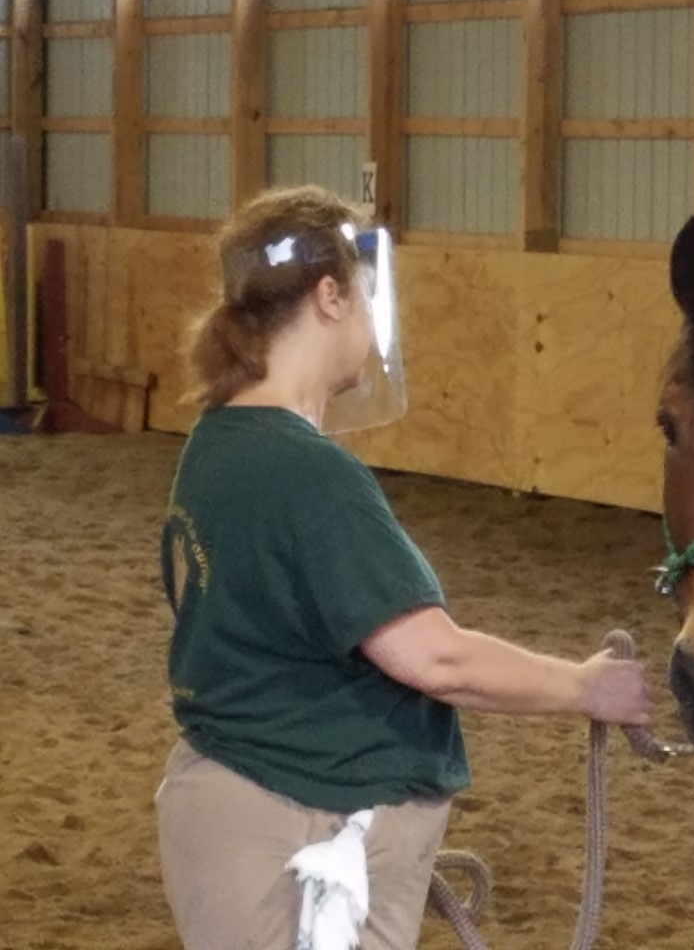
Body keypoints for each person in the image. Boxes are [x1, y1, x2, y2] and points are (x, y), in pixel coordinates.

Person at [154, 185, 654, 950]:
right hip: (303, 814)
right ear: (328, 297)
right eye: (358, 292)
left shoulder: (215, 446)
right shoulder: (307, 474)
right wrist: (585, 687)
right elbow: (436, 658)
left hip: (242, 802)